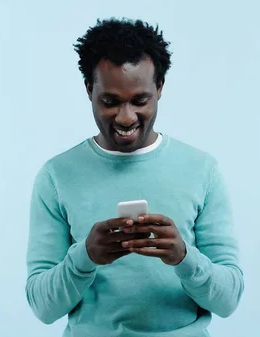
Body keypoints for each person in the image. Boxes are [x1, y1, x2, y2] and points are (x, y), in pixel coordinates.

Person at [25, 18, 244, 337]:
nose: (126, 117)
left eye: (140, 101)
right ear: (89, 89)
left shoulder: (201, 170)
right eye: (110, 102)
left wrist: (183, 257)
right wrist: (85, 256)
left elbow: (229, 300)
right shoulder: (56, 175)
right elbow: (43, 308)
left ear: (159, 89)